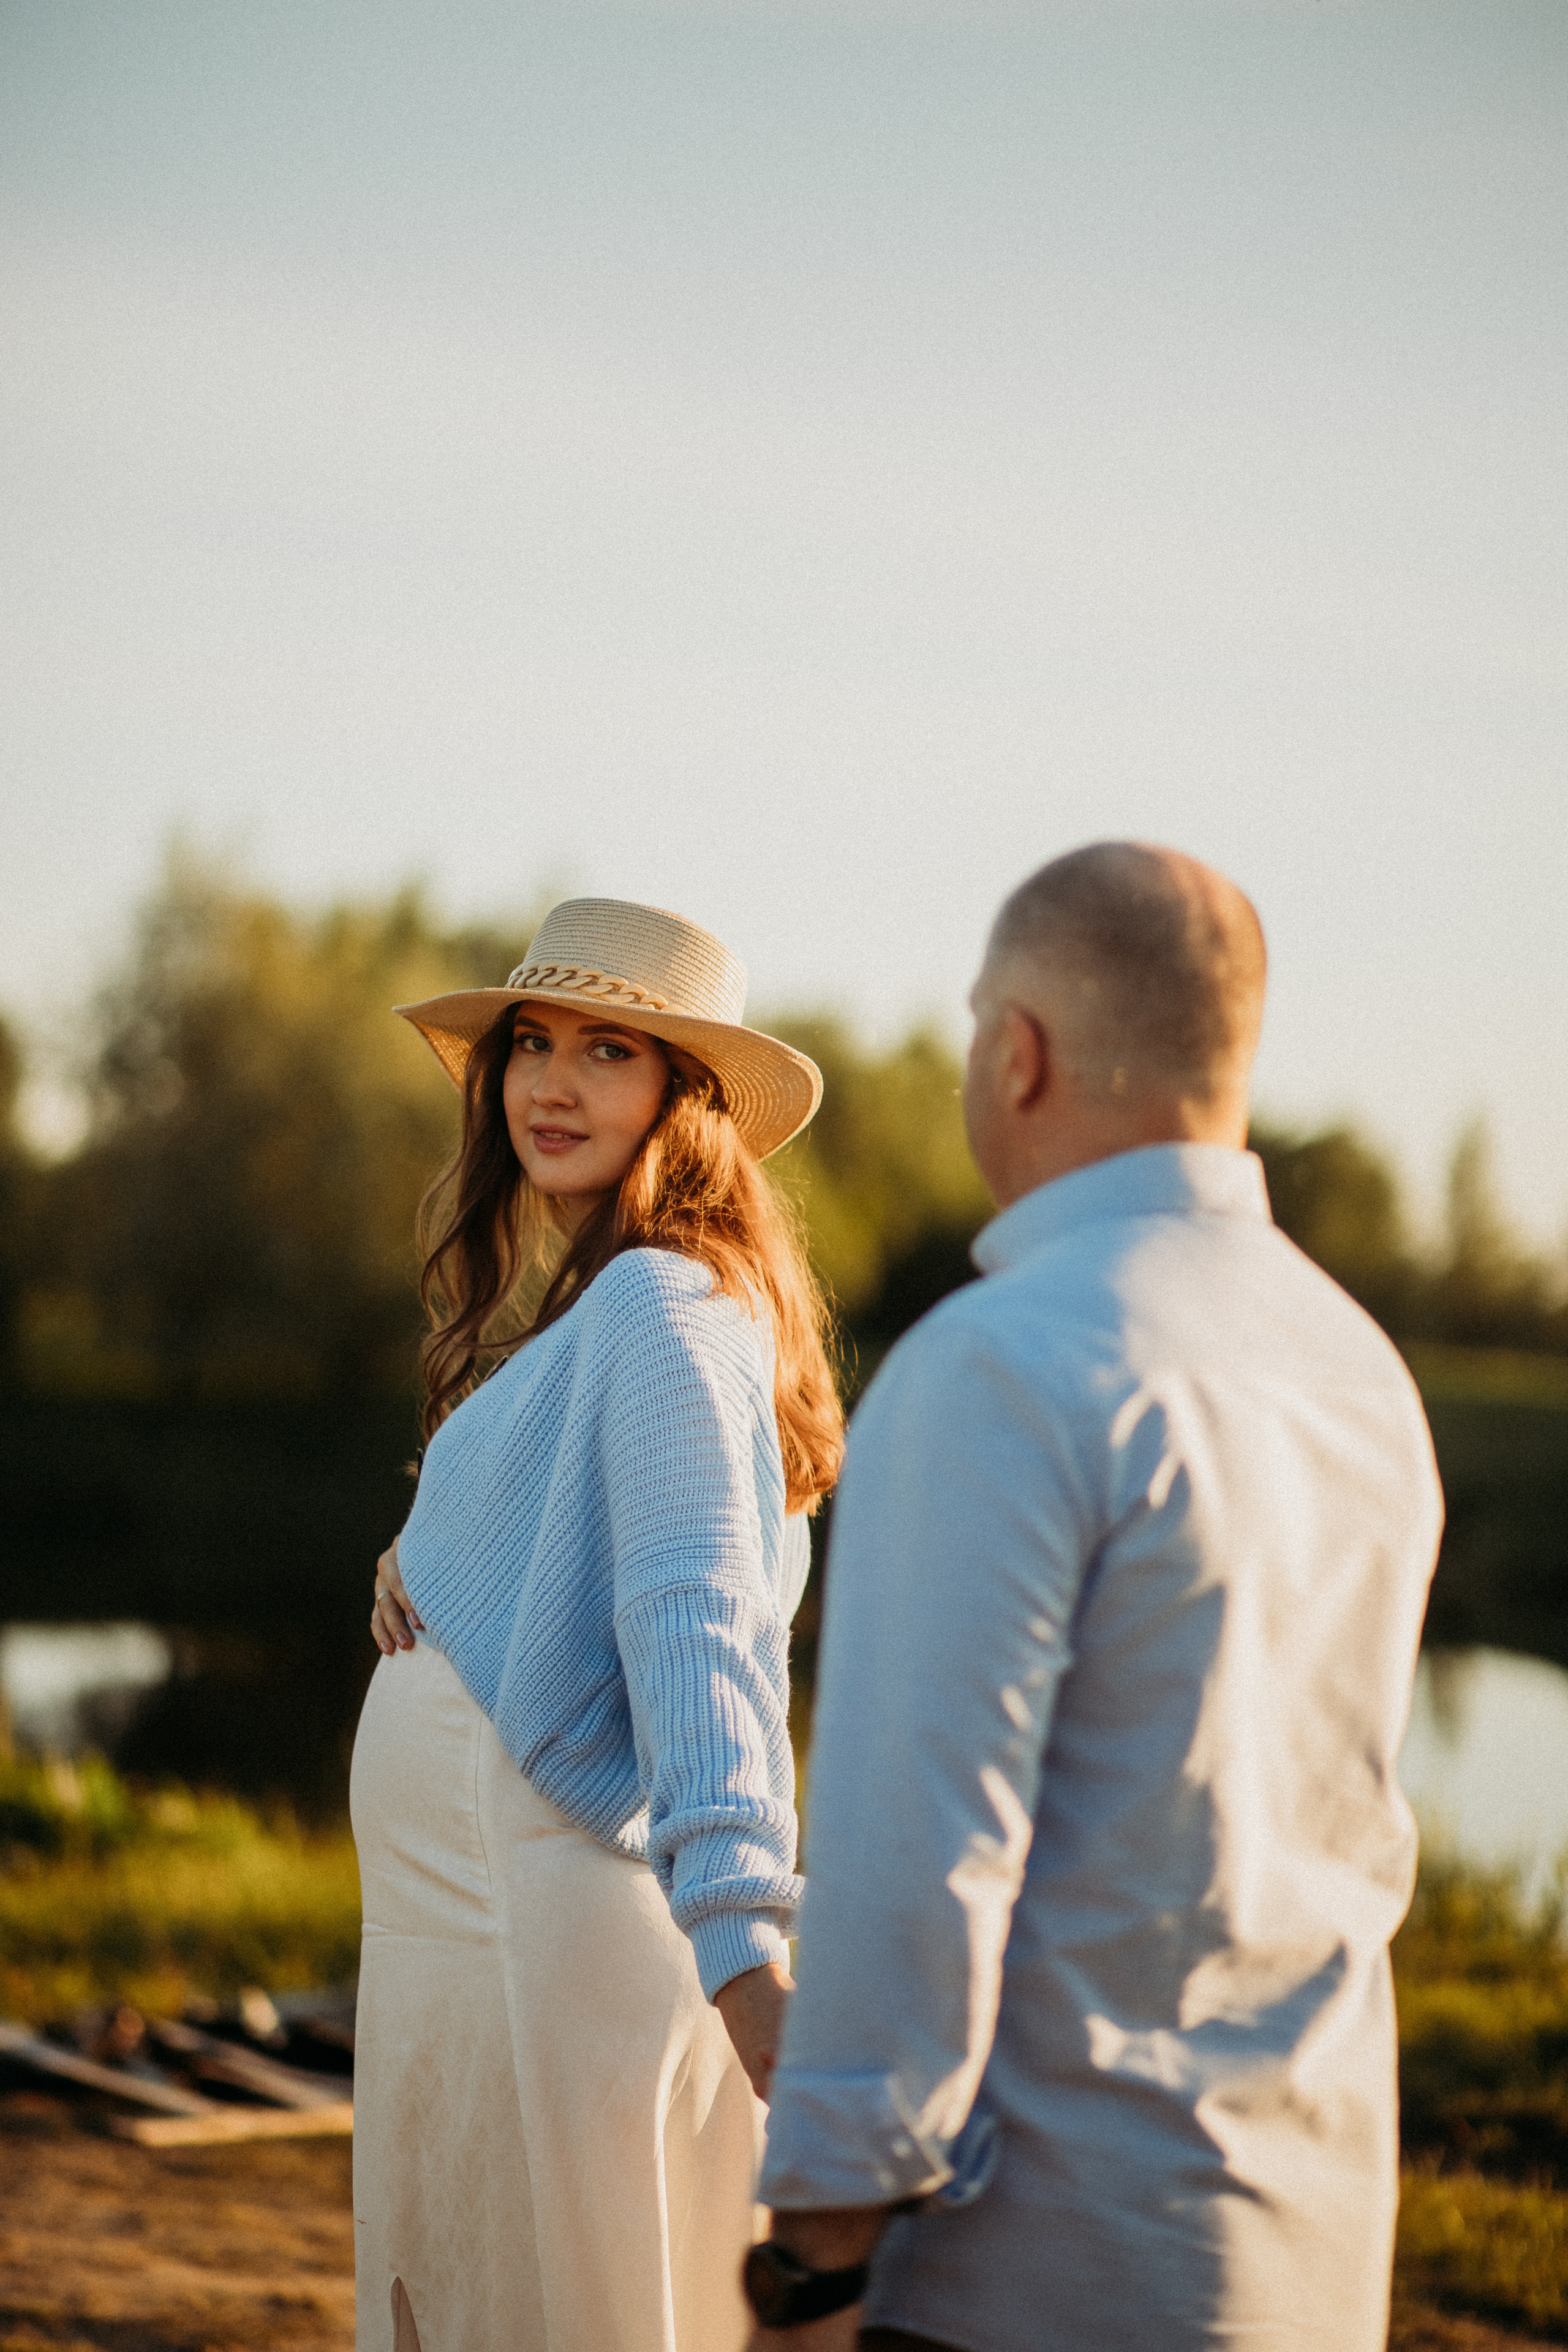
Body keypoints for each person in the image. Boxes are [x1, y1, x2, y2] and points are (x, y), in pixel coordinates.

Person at [745, 843, 1444, 2352]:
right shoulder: (1363, 1378)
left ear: (1018, 1053)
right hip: (1309, 2264)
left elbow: (918, 1853)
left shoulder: (996, 1365)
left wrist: (811, 2262)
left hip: (1038, 2276)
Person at [350, 896, 844, 2352]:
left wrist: (747, 1943)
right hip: (474, 1915)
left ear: (684, 1101)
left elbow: (700, 1623)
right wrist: (432, 1552)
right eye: (532, 1045)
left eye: (609, 1052)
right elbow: (598, 1560)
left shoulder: (658, 1307)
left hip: (540, 1913)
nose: (551, 1086)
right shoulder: (609, 1309)